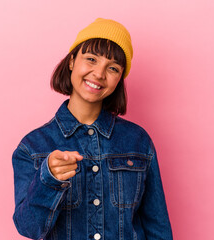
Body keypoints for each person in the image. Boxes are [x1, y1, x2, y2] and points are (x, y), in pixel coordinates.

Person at [12, 18, 173, 240]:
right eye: (91, 59)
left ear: (119, 79)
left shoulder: (138, 141)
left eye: (113, 68)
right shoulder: (33, 147)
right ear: (71, 61)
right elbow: (28, 228)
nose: (99, 74)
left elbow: (158, 227)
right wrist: (49, 178)